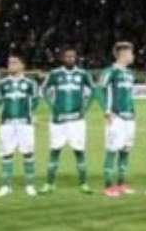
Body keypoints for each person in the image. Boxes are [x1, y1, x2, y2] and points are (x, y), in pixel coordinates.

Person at [41, 47, 96, 194]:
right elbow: (43, 89)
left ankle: (83, 184)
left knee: (79, 151)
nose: (70, 59)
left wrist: (85, 108)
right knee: (55, 151)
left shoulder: (83, 74)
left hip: (77, 121)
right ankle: (49, 184)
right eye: (67, 56)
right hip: (58, 121)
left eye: (73, 56)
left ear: (76, 58)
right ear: (62, 58)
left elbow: (94, 91)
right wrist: (51, 107)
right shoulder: (54, 74)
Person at [0, 53, 40, 197]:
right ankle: (6, 186)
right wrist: (5, 113)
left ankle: (30, 185)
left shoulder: (30, 83)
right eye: (9, 63)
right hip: (7, 124)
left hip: (25, 123)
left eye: (14, 62)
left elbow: (36, 101)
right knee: (6, 154)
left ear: (22, 65)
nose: (11, 65)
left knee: (28, 153)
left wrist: (30, 113)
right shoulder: (2, 84)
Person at [100, 42, 136, 197]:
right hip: (116, 117)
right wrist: (106, 111)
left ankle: (121, 184)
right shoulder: (110, 71)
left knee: (125, 150)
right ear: (123, 54)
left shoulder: (130, 73)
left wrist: (133, 111)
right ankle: (108, 187)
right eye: (130, 53)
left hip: (129, 117)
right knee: (112, 150)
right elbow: (99, 90)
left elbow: (129, 95)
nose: (133, 56)